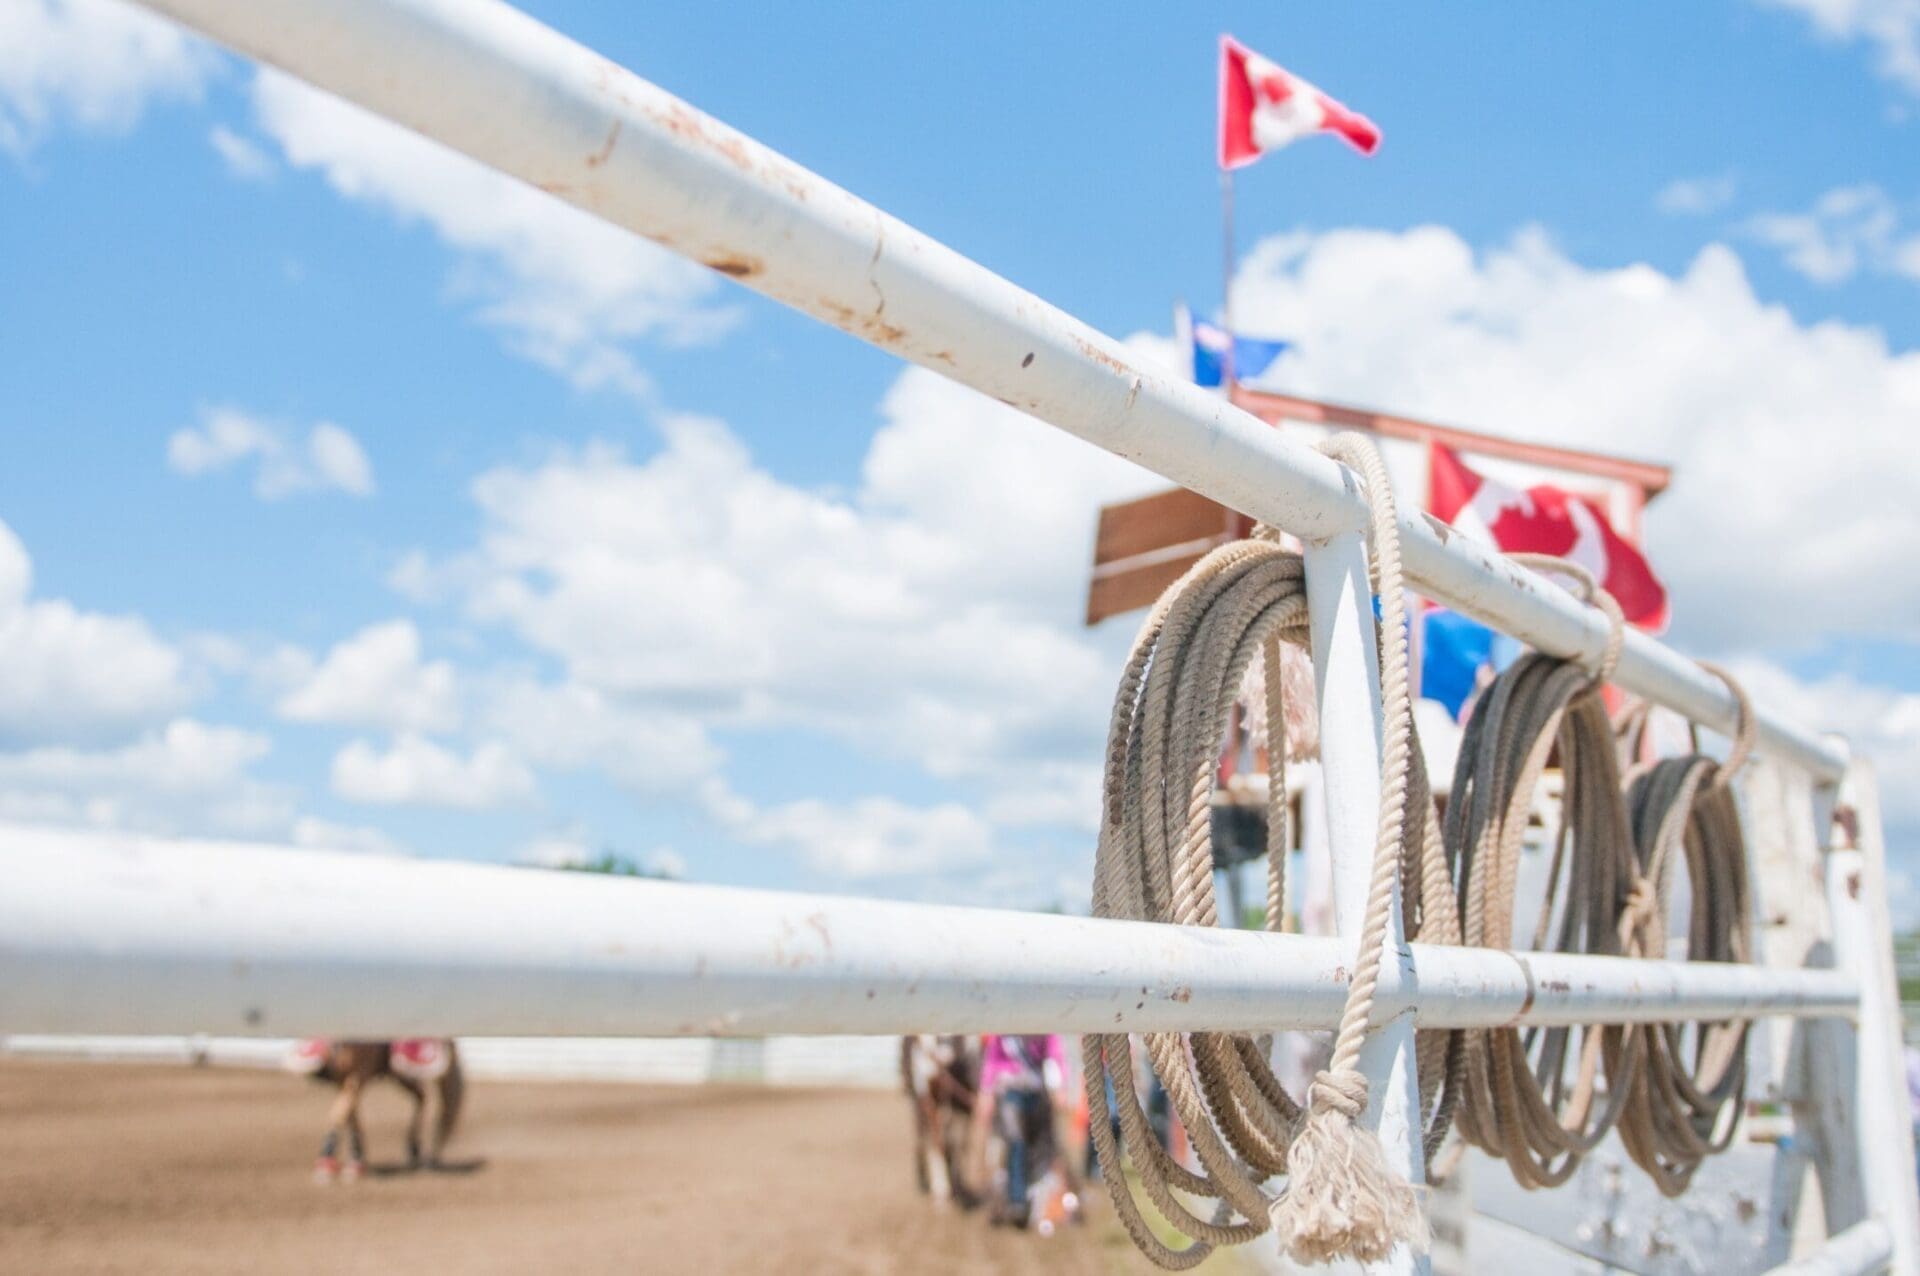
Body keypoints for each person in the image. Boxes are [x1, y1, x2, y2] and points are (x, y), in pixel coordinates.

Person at [977, 1033, 1080, 1229]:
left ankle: (1036, 1198)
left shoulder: (1043, 1027)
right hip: (1010, 1091)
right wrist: (986, 1091)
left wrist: (1061, 1087)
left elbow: (1055, 1052)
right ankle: (1017, 1201)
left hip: (1037, 1092)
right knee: (1016, 1144)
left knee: (1042, 1147)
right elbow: (993, 1059)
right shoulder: (1003, 1032)